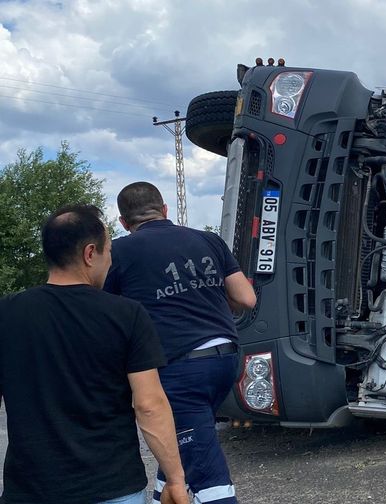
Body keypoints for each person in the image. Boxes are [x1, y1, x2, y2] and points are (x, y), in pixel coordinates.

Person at [0, 204, 188, 504]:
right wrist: (175, 479)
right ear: (90, 254)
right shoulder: (126, 315)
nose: (110, 261)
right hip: (112, 488)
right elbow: (149, 405)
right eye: (108, 251)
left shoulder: (7, 313)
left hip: (30, 491)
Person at [105, 182, 256, 504]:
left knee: (206, 472)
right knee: (177, 446)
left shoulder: (119, 251)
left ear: (122, 222)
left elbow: (104, 312)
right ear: (164, 210)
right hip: (226, 360)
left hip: (180, 368)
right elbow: (246, 297)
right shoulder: (208, 240)